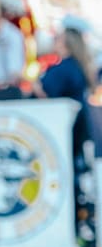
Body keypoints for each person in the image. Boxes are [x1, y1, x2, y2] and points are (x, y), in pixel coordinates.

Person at [36, 26, 95, 162]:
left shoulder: (63, 69)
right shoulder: (76, 65)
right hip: (78, 125)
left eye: (57, 39)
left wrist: (35, 85)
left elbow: (45, 94)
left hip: (65, 127)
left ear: (66, 43)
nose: (53, 41)